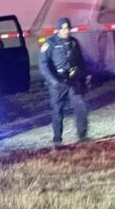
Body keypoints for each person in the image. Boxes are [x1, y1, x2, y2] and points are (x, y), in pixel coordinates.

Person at [38, 17, 89, 146]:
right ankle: (57, 140)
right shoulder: (50, 44)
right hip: (57, 83)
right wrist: (52, 81)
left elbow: (80, 60)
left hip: (72, 81)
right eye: (63, 29)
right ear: (58, 30)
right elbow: (43, 65)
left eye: (68, 28)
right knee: (57, 111)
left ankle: (82, 137)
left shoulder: (73, 43)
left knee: (80, 106)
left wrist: (83, 75)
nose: (66, 31)